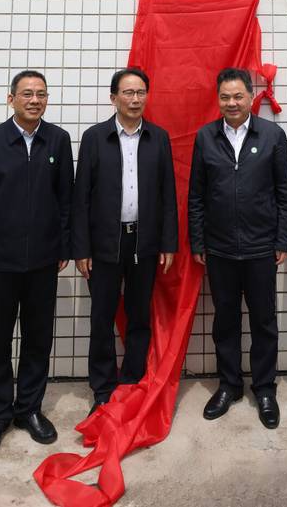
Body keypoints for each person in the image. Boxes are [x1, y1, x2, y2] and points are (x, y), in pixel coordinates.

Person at [0, 71, 74, 461]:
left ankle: (29, 409)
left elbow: (65, 200)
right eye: (27, 93)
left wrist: (64, 246)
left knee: (38, 338)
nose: (34, 100)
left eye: (41, 94)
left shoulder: (57, 140)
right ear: (11, 99)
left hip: (43, 261)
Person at [188, 68, 287, 429]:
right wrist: (198, 240)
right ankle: (229, 385)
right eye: (225, 97)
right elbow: (197, 196)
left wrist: (283, 239)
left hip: (261, 247)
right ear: (218, 100)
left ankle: (264, 389)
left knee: (264, 321)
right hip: (219, 249)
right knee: (225, 320)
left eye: (238, 96)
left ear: (251, 98)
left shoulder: (272, 135)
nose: (231, 103)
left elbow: (285, 193)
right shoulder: (206, 136)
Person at [72, 68, 178, 413]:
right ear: (113, 97)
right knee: (102, 317)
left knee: (139, 314)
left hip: (144, 242)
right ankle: (102, 387)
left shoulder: (158, 137)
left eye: (140, 92)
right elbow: (81, 197)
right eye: (128, 93)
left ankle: (132, 379)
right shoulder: (94, 137)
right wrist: (81, 248)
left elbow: (167, 194)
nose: (135, 99)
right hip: (104, 243)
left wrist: (168, 243)